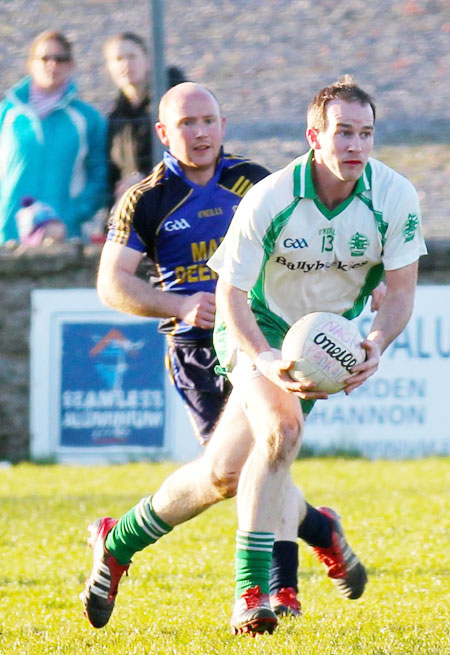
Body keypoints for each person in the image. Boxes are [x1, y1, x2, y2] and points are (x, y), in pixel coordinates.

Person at [80, 80, 378, 634]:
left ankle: (276, 587)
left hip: (266, 337)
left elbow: (316, 245)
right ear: (164, 133)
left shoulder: (257, 183)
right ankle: (318, 535)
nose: (201, 133)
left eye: (210, 121)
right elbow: (112, 285)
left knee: (268, 450)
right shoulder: (146, 200)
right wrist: (178, 303)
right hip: (196, 349)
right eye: (187, 124)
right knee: (229, 475)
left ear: (223, 126)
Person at [0, 30, 107, 245]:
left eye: (60, 59)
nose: (52, 64)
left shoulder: (88, 118)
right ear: (31, 63)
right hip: (7, 236)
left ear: (71, 64)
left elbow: (100, 177)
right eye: (45, 58)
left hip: (63, 239)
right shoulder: (7, 113)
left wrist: (70, 217)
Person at [103, 32, 186, 205]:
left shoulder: (175, 102)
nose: (126, 64)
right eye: (118, 59)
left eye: (132, 56)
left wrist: (145, 180)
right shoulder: (115, 120)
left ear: (148, 60)